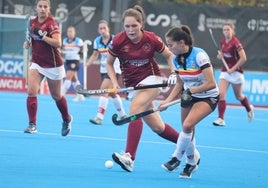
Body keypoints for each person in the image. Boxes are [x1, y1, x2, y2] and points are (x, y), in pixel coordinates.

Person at [106, 5, 179, 172]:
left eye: (134, 26)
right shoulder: (118, 40)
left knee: (135, 109)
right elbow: (109, 63)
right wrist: (115, 83)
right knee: (158, 127)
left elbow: (169, 55)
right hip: (133, 85)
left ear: (141, 24)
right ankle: (188, 145)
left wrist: (174, 72)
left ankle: (129, 157)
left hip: (152, 80)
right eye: (127, 26)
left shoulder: (151, 39)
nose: (130, 30)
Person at [160, 25, 219, 178]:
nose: (169, 48)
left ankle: (176, 158)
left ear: (181, 42)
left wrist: (191, 91)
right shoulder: (175, 59)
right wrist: (166, 102)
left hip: (208, 96)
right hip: (189, 95)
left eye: (170, 44)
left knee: (187, 125)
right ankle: (192, 163)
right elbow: (179, 83)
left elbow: (211, 83)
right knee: (188, 130)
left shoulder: (199, 56)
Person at [23, 0, 72, 136]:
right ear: (36, 8)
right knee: (31, 91)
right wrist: (27, 44)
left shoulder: (52, 24)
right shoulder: (32, 22)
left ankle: (66, 118)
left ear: (49, 9)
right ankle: (32, 124)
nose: (42, 9)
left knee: (56, 96)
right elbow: (31, 39)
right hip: (37, 62)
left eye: (45, 7)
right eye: (40, 6)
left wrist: (43, 36)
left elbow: (58, 43)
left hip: (53, 65)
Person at [85, 20, 127, 125]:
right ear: (98, 30)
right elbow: (95, 54)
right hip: (103, 70)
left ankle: (99, 117)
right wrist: (88, 63)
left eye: (104, 28)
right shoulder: (97, 41)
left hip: (114, 69)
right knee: (112, 93)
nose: (103, 30)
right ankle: (122, 114)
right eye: (100, 29)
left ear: (108, 28)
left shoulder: (115, 39)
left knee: (103, 90)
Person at [213, 21, 254, 126]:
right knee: (221, 94)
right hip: (225, 72)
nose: (226, 31)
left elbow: (243, 58)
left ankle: (249, 109)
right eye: (224, 30)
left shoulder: (236, 42)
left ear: (232, 31)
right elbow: (224, 55)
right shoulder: (222, 42)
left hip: (236, 73)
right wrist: (221, 56)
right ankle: (221, 119)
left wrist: (233, 69)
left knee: (239, 96)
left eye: (228, 29)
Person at [61, 26, 85, 102]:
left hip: (75, 60)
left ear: (74, 33)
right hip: (68, 60)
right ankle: (80, 95)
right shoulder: (65, 40)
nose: (70, 33)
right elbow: (63, 49)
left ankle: (61, 95)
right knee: (74, 79)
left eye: (71, 31)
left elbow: (82, 48)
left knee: (68, 77)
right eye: (68, 31)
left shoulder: (78, 40)